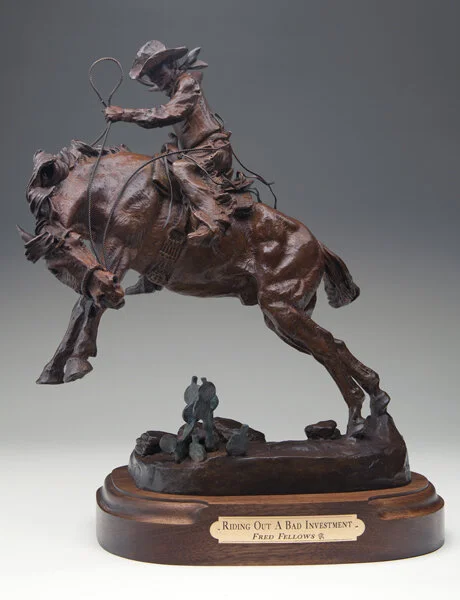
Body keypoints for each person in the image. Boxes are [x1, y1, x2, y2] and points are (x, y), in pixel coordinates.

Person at [105, 40, 252, 243]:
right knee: (159, 167)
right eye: (151, 75)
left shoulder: (187, 83)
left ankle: (214, 220)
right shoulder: (178, 90)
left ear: (172, 64)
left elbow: (169, 113)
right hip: (198, 151)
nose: (156, 78)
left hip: (213, 150)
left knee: (182, 169)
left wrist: (124, 114)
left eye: (159, 71)